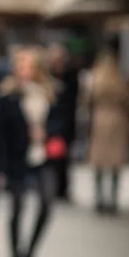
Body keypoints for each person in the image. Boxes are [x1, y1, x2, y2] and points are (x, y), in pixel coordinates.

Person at [0, 46, 62, 257]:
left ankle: (29, 252)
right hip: (17, 160)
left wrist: (46, 133)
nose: (25, 71)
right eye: (21, 66)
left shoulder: (49, 93)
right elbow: (0, 134)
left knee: (47, 203)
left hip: (43, 157)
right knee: (18, 207)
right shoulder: (7, 95)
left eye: (30, 66)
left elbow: (59, 123)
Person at [85, 46, 129, 214]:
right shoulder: (121, 80)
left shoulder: (94, 80)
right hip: (118, 121)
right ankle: (113, 199)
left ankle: (99, 198)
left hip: (99, 121)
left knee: (98, 162)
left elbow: (86, 100)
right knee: (115, 164)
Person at [46, 42, 80, 202]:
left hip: (66, 124)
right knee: (52, 158)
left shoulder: (71, 76)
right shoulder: (47, 77)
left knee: (65, 158)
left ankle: (63, 188)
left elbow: (73, 102)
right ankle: (52, 188)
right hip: (51, 124)